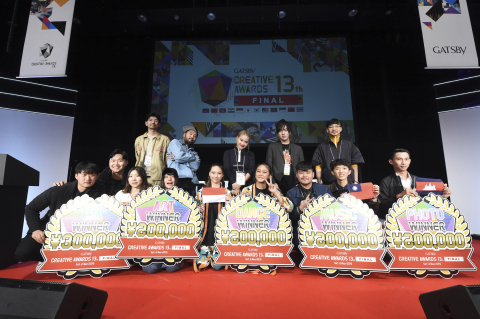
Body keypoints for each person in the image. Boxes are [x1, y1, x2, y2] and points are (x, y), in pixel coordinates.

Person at [15, 162, 105, 262]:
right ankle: (50, 258)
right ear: (76, 175)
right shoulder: (58, 190)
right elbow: (31, 208)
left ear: (97, 176)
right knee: (22, 253)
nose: (88, 179)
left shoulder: (102, 195)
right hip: (50, 229)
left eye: (92, 175)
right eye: (84, 174)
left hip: (78, 234)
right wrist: (35, 229)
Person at [241, 163, 293, 275]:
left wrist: (275, 192)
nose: (261, 174)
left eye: (264, 172)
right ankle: (254, 262)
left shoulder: (272, 190)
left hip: (270, 230)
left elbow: (288, 207)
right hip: (251, 229)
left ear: (269, 175)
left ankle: (266, 262)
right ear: (255, 174)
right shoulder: (247, 190)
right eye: (258, 171)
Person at [378, 148, 452, 219]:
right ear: (391, 161)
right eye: (399, 159)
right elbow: (382, 206)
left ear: (410, 161)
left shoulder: (418, 180)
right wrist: (399, 196)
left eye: (406, 159)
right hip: (398, 220)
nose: (403, 162)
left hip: (418, 220)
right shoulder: (386, 181)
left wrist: (442, 196)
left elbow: (427, 202)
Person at [142, 167, 184, 273]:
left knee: (171, 268)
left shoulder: (183, 197)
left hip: (175, 241)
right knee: (150, 268)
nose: (169, 179)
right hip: (157, 241)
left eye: (172, 176)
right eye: (166, 176)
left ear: (176, 180)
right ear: (162, 180)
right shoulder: (154, 196)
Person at [286, 161, 333, 248]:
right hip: (301, 232)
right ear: (297, 175)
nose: (304, 176)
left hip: (322, 232)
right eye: (301, 173)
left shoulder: (324, 189)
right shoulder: (291, 193)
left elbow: (333, 212)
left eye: (308, 173)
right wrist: (299, 209)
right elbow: (287, 218)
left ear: (313, 174)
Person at [194, 163, 232, 271]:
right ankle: (204, 251)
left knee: (217, 266)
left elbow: (233, 216)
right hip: (205, 235)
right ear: (209, 174)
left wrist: (230, 204)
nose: (216, 175)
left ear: (222, 175)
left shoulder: (227, 193)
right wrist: (199, 210)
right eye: (213, 172)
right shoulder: (201, 193)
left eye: (219, 173)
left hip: (220, 237)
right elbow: (192, 213)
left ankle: (216, 252)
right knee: (201, 265)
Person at [53, 149, 129, 196]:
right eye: (113, 161)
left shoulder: (131, 178)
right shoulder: (98, 177)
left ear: (126, 163)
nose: (116, 164)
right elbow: (83, 183)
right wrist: (65, 185)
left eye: (120, 161)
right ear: (109, 162)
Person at [312, 118, 364, 185]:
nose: (334, 129)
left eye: (337, 126)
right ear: (327, 130)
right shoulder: (321, 147)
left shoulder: (349, 145)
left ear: (341, 129)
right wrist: (319, 183)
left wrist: (356, 181)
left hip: (349, 182)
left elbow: (354, 164)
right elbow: (318, 165)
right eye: (331, 127)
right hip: (328, 183)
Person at [266, 119, 304, 194]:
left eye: (286, 130)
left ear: (289, 132)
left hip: (294, 182)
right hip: (278, 182)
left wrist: (299, 182)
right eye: (280, 131)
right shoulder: (272, 147)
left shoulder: (297, 148)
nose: (283, 133)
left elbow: (302, 167)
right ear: (277, 133)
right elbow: (268, 167)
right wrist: (273, 182)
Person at [134, 112, 170, 186]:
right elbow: (137, 156)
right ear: (146, 123)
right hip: (141, 174)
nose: (153, 122)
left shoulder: (165, 139)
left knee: (157, 196)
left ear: (159, 124)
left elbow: (167, 159)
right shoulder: (139, 139)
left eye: (156, 120)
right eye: (150, 120)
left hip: (157, 175)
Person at [166, 125, 200, 196]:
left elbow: (195, 166)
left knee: (188, 205)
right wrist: (189, 159)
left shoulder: (194, 152)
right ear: (184, 134)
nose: (192, 137)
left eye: (195, 136)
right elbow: (179, 156)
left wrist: (178, 159)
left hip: (189, 181)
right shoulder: (175, 142)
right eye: (190, 134)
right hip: (176, 179)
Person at [223, 130, 255, 195]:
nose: (243, 143)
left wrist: (239, 184)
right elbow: (227, 169)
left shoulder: (251, 154)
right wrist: (235, 186)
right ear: (237, 138)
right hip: (232, 185)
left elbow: (251, 170)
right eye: (241, 140)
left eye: (246, 142)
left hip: (247, 188)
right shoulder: (228, 153)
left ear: (248, 143)